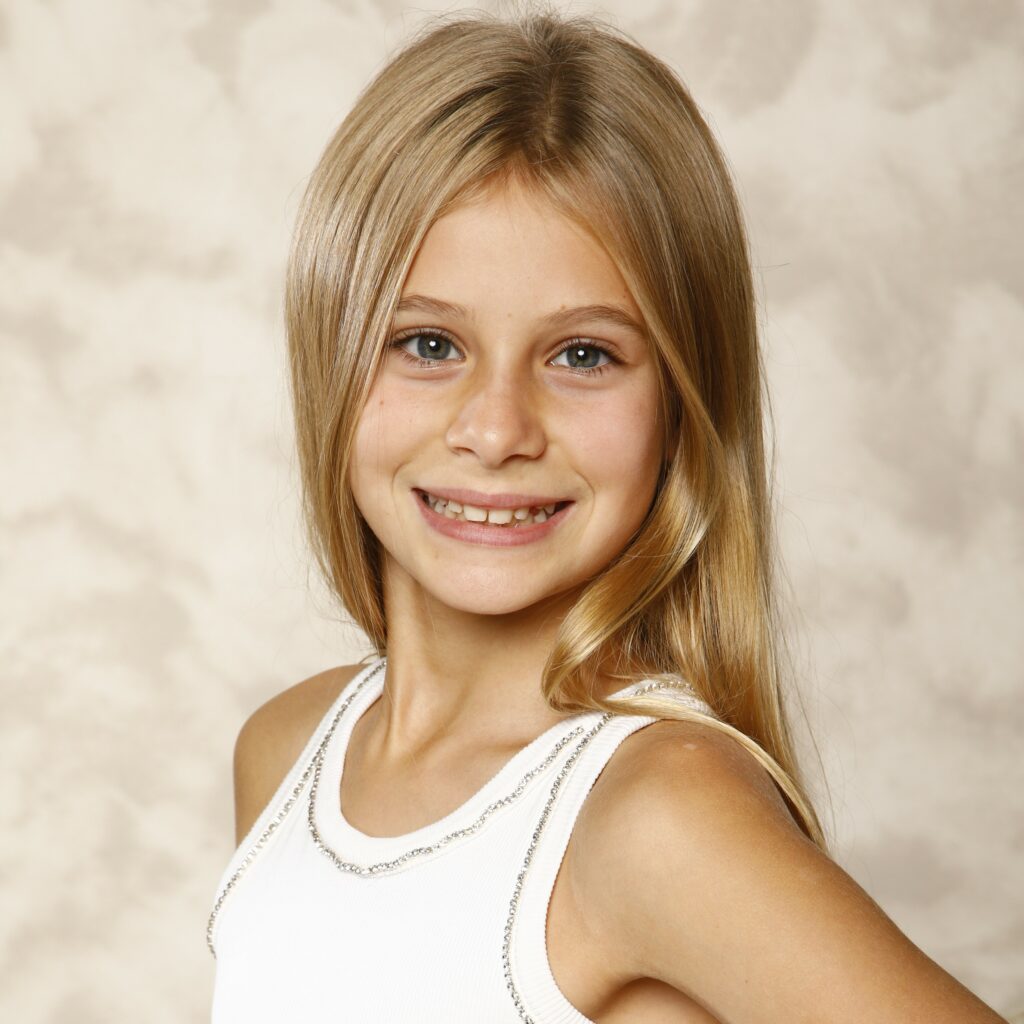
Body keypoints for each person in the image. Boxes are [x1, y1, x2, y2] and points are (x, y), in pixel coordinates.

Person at [206, 5, 1008, 1021]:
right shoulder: (286, 751)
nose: (496, 429)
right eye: (428, 345)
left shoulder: (655, 814)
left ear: (680, 406)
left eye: (583, 354)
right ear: (330, 360)